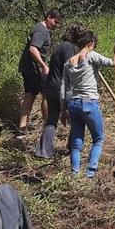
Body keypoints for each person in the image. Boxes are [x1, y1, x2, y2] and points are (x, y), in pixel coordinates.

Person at [60, 30, 115, 177]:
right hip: (88, 101)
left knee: (76, 143)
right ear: (90, 44)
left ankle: (75, 174)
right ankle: (90, 173)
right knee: (98, 139)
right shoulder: (91, 56)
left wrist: (63, 109)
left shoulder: (68, 63)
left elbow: (64, 87)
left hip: (73, 104)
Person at [34, 23, 85, 159]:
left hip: (51, 87)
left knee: (51, 120)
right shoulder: (68, 48)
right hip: (61, 89)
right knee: (79, 117)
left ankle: (43, 151)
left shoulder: (61, 46)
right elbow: (71, 68)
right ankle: (73, 148)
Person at [18, 9, 62, 132]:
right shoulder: (41, 31)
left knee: (30, 95)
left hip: (30, 67)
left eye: (58, 23)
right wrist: (43, 65)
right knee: (46, 94)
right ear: (48, 17)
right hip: (34, 68)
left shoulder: (40, 28)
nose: (56, 25)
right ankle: (48, 125)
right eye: (55, 22)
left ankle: (23, 127)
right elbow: (33, 49)